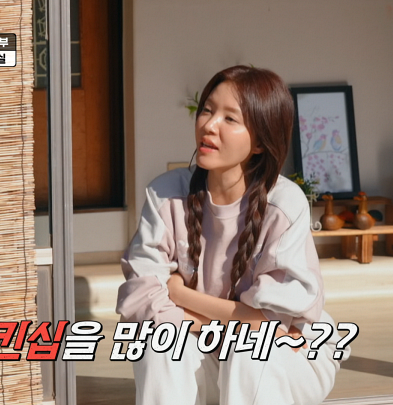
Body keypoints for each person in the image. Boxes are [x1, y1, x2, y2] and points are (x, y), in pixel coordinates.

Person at [116, 65, 350, 405]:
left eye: (229, 118)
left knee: (250, 349)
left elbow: (270, 323)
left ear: (260, 141)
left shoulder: (284, 205)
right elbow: (141, 298)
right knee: (160, 341)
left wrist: (179, 294)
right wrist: (229, 322)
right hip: (206, 350)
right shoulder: (166, 195)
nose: (209, 125)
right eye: (207, 110)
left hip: (286, 358)